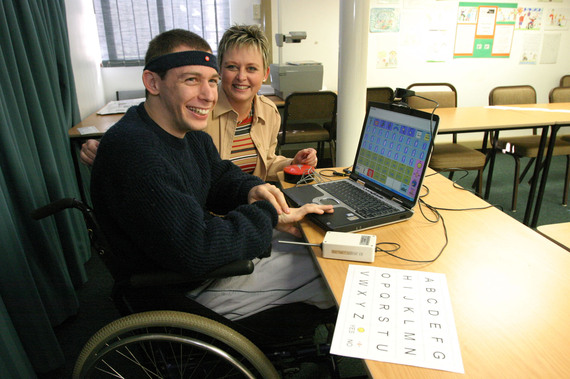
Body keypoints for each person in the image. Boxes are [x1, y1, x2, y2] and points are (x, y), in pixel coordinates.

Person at [91, 28, 334, 321]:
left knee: (313, 246)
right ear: (153, 82)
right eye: (191, 80)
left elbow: (218, 176)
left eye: (212, 81)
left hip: (202, 259)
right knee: (328, 268)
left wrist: (250, 190)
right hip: (185, 290)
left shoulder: (185, 132)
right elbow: (197, 250)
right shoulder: (137, 152)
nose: (208, 95)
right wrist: (267, 215)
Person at [80, 24, 317, 182]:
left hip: (245, 205)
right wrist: (106, 148)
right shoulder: (197, 110)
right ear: (219, 69)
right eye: (232, 67)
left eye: (251, 69)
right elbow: (153, 136)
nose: (241, 77)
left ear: (265, 73)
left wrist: (290, 163)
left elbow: (266, 160)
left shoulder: (268, 111)